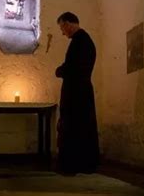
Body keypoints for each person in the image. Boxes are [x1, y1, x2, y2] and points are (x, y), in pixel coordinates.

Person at [55, 11, 99, 175]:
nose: (62, 32)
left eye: (62, 27)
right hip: (81, 90)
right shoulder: (83, 40)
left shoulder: (80, 41)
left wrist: (59, 71)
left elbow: (72, 67)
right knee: (82, 127)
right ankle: (84, 163)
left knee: (74, 126)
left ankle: (72, 165)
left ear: (67, 23)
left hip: (76, 92)